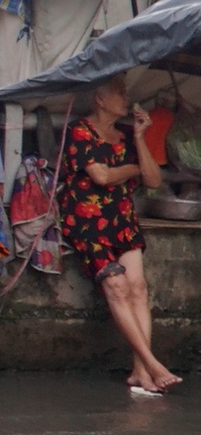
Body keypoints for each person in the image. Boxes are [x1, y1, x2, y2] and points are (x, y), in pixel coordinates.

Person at [61, 76, 177, 395]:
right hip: (88, 222)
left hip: (122, 221)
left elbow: (153, 180)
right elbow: (101, 176)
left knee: (138, 287)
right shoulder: (80, 131)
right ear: (100, 99)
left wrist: (139, 137)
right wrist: (131, 169)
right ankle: (152, 364)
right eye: (120, 93)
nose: (126, 98)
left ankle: (139, 371)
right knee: (116, 285)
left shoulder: (127, 135)